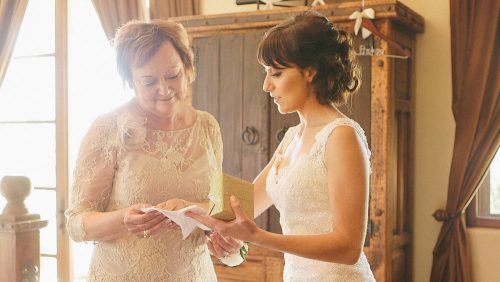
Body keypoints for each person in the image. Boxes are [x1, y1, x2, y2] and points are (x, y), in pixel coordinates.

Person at [188, 10, 376, 281]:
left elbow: (348, 247)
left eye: (276, 73)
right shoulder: (291, 137)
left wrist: (257, 237)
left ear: (310, 72)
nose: (266, 85)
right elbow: (247, 202)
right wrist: (182, 208)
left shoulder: (342, 136)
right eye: (266, 73)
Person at [65, 19, 222, 281]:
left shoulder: (207, 126)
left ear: (188, 67)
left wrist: (210, 225)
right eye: (149, 82)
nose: (165, 89)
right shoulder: (109, 127)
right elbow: (76, 223)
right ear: (131, 80)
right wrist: (123, 220)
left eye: (173, 75)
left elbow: (217, 205)